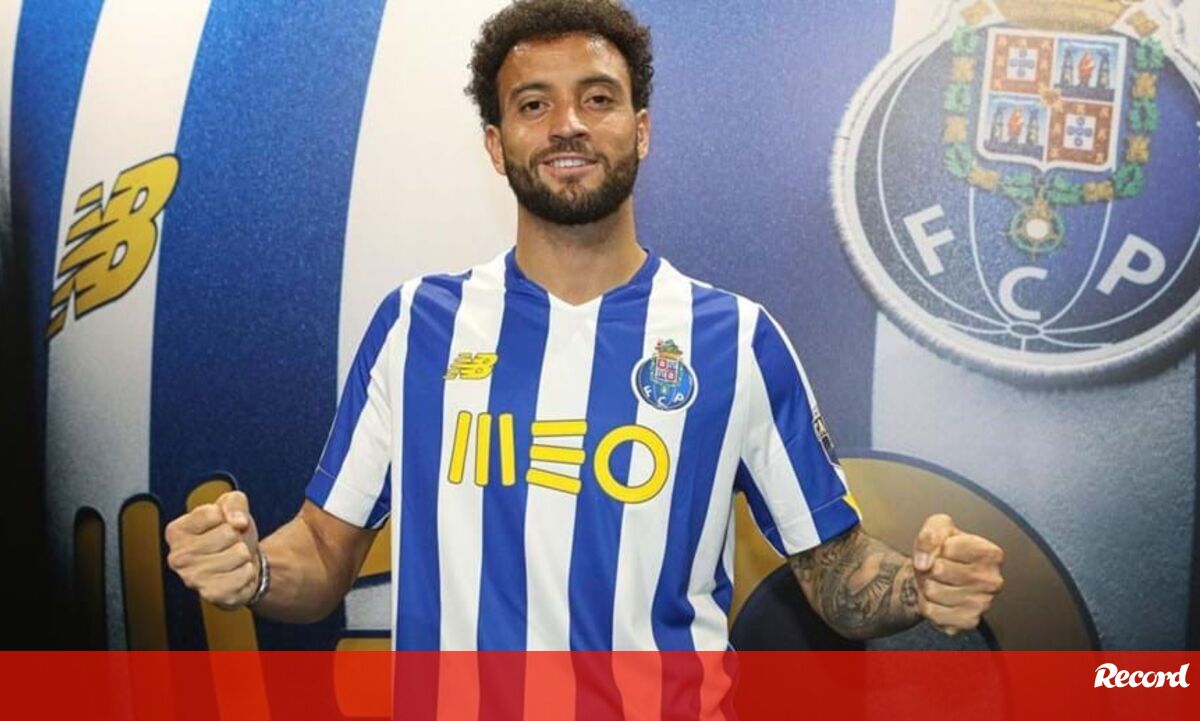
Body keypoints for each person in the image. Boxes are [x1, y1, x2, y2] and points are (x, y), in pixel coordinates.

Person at [165, 0, 1003, 653]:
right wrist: (257, 568)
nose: (567, 123)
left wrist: (920, 585)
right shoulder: (416, 325)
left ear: (641, 130)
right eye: (534, 104)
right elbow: (323, 551)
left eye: (597, 99)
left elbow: (837, 572)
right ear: (496, 145)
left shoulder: (736, 338)